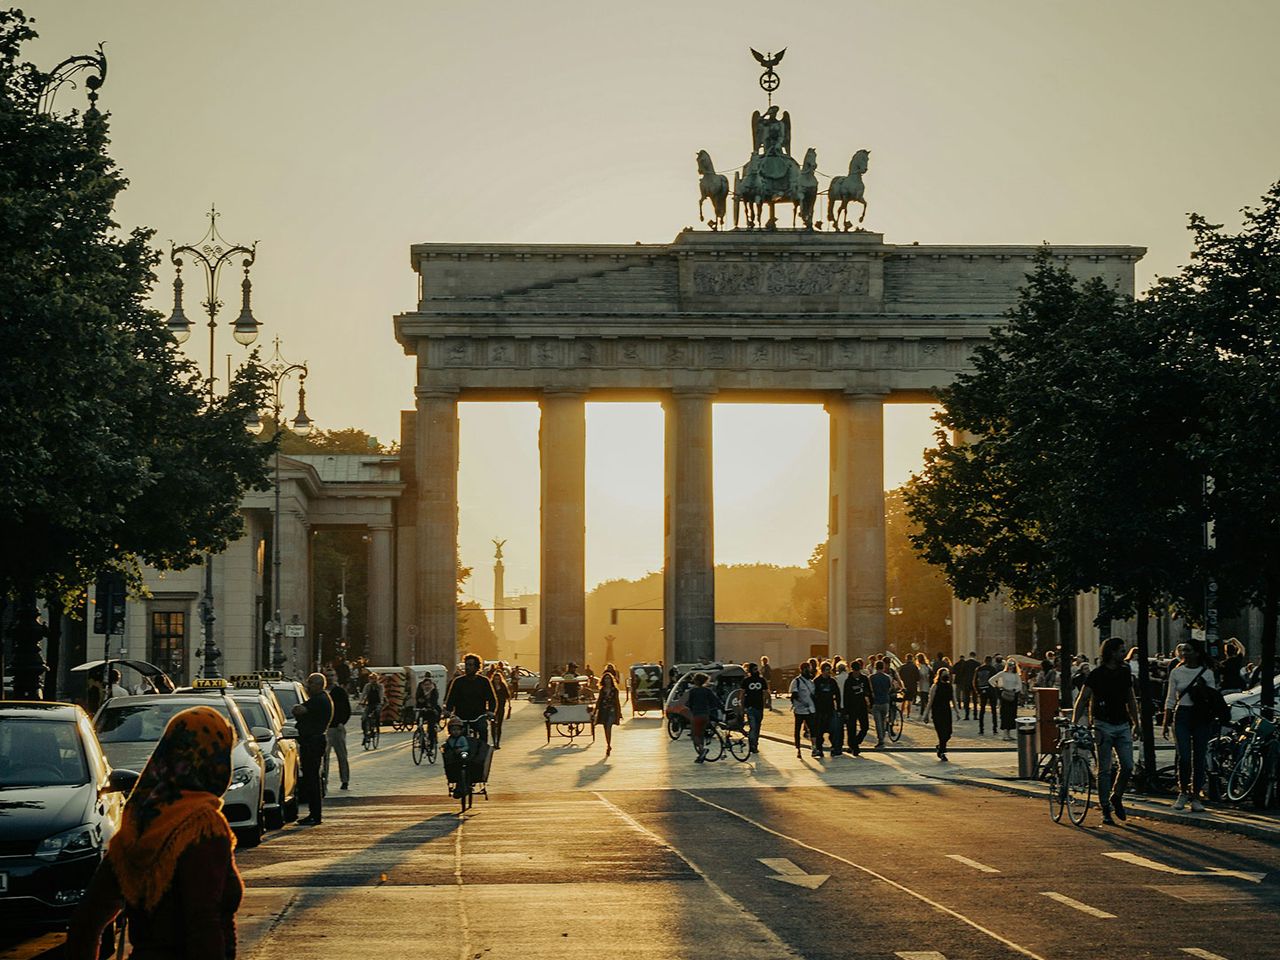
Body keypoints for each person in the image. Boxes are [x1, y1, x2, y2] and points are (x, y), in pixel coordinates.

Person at [67, 706, 243, 960]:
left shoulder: (140, 819)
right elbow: (204, 923)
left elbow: (87, 921)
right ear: (213, 759)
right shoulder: (202, 825)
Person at [1072, 636, 1138, 825]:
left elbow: (1130, 698)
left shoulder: (1125, 672)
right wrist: (1076, 722)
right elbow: (1083, 698)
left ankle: (1116, 796)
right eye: (1121, 650)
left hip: (1123, 724)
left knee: (1128, 765)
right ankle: (1105, 809)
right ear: (1111, 653)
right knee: (1104, 769)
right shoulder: (1097, 674)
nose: (1124, 653)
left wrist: (1136, 722)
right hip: (1103, 724)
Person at [1162, 640, 1217, 812]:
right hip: (1182, 715)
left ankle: (1196, 795)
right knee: (1184, 756)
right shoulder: (1176, 672)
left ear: (1197, 653)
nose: (1184, 653)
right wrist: (1166, 721)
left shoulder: (1207, 673)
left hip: (1200, 716)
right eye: (1183, 650)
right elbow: (1170, 698)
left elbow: (1213, 696)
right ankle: (1183, 791)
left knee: (1199, 757)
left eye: (1189, 650)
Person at [292, 673, 333, 825]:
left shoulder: (318, 700)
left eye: (310, 684)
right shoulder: (322, 699)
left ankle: (315, 814)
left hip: (313, 743)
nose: (308, 687)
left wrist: (297, 709)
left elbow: (298, 710)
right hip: (313, 741)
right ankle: (314, 813)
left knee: (312, 780)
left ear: (317, 685)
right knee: (311, 779)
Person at [445, 653, 498, 743]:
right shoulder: (458, 682)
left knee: (483, 730)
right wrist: (448, 711)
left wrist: (491, 711)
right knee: (455, 734)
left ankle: (482, 753)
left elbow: (492, 699)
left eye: (470, 665)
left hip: (478, 716)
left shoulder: (484, 681)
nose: (467, 667)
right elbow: (451, 698)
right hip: (461, 716)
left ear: (477, 667)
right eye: (466, 665)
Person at [687, 672, 722, 763]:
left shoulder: (693, 691)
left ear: (696, 681)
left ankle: (702, 750)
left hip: (697, 715)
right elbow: (715, 701)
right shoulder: (707, 691)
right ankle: (701, 756)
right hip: (706, 715)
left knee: (695, 735)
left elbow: (689, 704)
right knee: (701, 733)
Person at [325, 674, 351, 791]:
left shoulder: (339, 692)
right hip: (324, 729)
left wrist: (342, 722)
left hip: (337, 728)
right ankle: (323, 780)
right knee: (324, 757)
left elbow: (346, 708)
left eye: (332, 675)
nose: (330, 678)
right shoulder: (322, 693)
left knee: (342, 755)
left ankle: (345, 780)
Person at [812, 661, 842, 758]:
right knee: (819, 731)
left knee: (833, 730)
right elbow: (813, 695)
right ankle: (819, 748)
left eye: (829, 670)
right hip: (819, 709)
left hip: (830, 709)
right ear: (822, 670)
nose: (828, 672)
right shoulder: (816, 681)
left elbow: (837, 694)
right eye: (826, 670)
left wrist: (838, 707)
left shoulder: (832, 681)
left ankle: (834, 748)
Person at [842, 659, 872, 756]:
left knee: (865, 727)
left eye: (858, 671)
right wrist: (845, 711)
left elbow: (869, 691)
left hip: (862, 706)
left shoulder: (864, 678)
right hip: (851, 707)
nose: (857, 673)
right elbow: (846, 696)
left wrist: (871, 703)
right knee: (851, 729)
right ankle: (854, 747)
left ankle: (854, 743)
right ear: (852, 670)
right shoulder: (848, 681)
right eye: (855, 671)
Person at [924, 667, 954, 761]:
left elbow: (953, 699)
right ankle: (941, 752)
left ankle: (940, 746)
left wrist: (957, 711)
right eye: (944, 674)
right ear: (940, 675)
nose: (946, 676)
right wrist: (926, 714)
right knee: (942, 733)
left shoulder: (949, 686)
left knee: (948, 733)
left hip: (947, 711)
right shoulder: (935, 686)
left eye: (947, 674)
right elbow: (930, 701)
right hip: (937, 712)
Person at [788, 662, 817, 758]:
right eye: (808, 669)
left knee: (813, 729)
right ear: (804, 669)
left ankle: (814, 747)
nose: (810, 671)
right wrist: (802, 702)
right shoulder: (796, 681)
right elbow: (794, 695)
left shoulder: (811, 682)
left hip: (810, 709)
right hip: (800, 710)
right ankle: (798, 749)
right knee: (797, 729)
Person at [989, 659, 1021, 741]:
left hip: (1013, 695)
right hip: (1005, 695)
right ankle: (1005, 734)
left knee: (1012, 715)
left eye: (1013, 664)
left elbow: (1019, 685)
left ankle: (1009, 733)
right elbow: (991, 680)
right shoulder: (1003, 673)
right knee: (1005, 714)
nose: (1011, 666)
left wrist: (1015, 690)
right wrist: (998, 686)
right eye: (1009, 664)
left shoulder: (1016, 675)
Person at [740, 662, 768, 754]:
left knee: (756, 727)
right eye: (755, 669)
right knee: (754, 727)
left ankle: (754, 744)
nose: (757, 671)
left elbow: (742, 694)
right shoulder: (760, 680)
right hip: (752, 707)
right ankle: (753, 745)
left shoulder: (747, 680)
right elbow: (742, 694)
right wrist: (742, 706)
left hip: (756, 706)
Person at [594, 671, 622, 757]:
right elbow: (599, 701)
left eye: (609, 679)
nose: (607, 680)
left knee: (609, 726)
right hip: (603, 711)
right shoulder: (602, 690)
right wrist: (595, 711)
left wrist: (619, 712)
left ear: (611, 680)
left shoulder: (615, 690)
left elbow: (617, 701)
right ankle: (608, 744)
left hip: (612, 711)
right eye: (605, 679)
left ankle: (608, 745)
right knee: (605, 728)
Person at [869, 659, 894, 748]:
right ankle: (882, 737)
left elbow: (870, 690)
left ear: (875, 667)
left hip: (876, 701)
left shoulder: (871, 677)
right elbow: (890, 688)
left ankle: (881, 739)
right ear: (883, 667)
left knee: (878, 722)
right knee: (883, 720)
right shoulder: (888, 677)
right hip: (885, 701)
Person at [414, 674, 441, 752]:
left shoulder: (434, 690)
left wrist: (431, 707)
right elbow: (418, 697)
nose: (427, 686)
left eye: (428, 684)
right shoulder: (420, 687)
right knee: (418, 722)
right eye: (425, 685)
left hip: (431, 711)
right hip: (422, 709)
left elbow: (434, 700)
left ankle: (431, 744)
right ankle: (421, 738)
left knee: (431, 727)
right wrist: (418, 704)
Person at [487, 666, 511, 748]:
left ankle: (498, 742)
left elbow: (508, 696)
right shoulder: (491, 687)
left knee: (499, 726)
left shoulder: (503, 686)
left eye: (498, 679)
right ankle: (494, 741)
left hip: (501, 708)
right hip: (492, 709)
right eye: (495, 679)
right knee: (493, 725)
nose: (497, 681)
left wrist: (509, 705)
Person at [974, 655, 997, 735]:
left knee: (982, 710)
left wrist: (978, 691)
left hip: (982, 690)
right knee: (993, 710)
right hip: (991, 691)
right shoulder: (993, 669)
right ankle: (994, 728)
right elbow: (996, 681)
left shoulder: (979, 669)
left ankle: (981, 729)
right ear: (990, 661)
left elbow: (974, 681)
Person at [953, 652, 978, 720]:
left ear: (969, 656)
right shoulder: (977, 664)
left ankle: (967, 715)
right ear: (975, 656)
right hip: (974, 684)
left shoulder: (965, 663)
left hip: (966, 683)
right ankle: (975, 715)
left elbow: (962, 673)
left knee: (967, 699)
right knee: (975, 699)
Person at [359, 673, 384, 742]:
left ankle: (376, 725)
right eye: (371, 679)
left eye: (375, 678)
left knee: (377, 712)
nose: (373, 680)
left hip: (377, 703)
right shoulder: (367, 686)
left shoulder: (380, 686)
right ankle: (365, 735)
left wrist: (381, 701)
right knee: (364, 719)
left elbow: (381, 694)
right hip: (369, 704)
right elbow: (363, 694)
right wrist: (361, 701)